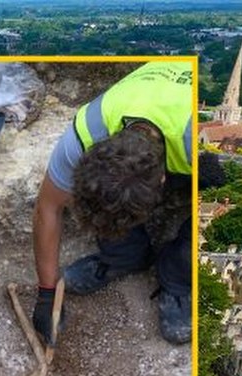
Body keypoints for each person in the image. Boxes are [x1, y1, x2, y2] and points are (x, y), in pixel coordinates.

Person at [32, 60, 193, 346]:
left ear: (162, 181)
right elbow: (48, 207)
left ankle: (177, 279)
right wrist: (46, 293)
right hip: (166, 131)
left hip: (204, 152)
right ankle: (125, 257)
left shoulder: (199, 137)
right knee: (109, 202)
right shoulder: (86, 131)